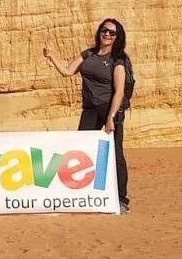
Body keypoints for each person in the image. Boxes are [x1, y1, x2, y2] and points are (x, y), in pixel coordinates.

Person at [43, 18, 131, 213]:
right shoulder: (89, 54)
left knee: (115, 153)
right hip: (90, 110)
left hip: (110, 110)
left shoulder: (118, 59)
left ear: (117, 37)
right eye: (104, 30)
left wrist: (111, 117)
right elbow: (67, 71)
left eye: (112, 32)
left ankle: (121, 199)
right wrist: (52, 56)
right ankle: (83, 194)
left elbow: (119, 91)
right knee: (82, 150)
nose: (107, 34)